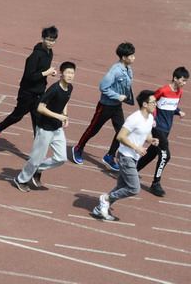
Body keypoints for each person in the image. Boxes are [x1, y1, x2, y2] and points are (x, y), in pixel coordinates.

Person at [92, 90, 159, 221]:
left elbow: (147, 134)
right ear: (144, 104)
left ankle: (100, 208)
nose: (155, 104)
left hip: (134, 157)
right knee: (134, 188)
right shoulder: (134, 118)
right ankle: (106, 198)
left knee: (122, 186)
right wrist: (136, 148)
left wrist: (152, 140)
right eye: (153, 102)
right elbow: (120, 136)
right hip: (125, 156)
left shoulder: (150, 117)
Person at [72, 42, 136, 171]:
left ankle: (110, 155)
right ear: (124, 57)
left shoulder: (128, 69)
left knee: (122, 132)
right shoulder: (115, 70)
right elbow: (103, 87)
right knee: (93, 129)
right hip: (106, 106)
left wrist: (127, 98)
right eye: (131, 56)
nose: (134, 58)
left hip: (117, 107)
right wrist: (117, 96)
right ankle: (78, 148)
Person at [13, 62, 76, 192]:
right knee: (36, 159)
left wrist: (65, 115)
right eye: (68, 73)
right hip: (45, 129)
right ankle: (21, 179)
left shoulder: (69, 88)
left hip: (57, 128)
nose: (70, 75)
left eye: (72, 73)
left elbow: (65, 101)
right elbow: (40, 108)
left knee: (61, 158)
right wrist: (58, 116)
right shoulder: (54, 89)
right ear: (61, 74)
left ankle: (38, 169)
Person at [0, 26, 58, 144]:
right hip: (27, 92)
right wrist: (46, 73)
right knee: (17, 116)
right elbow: (29, 76)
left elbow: (42, 70)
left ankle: (38, 147)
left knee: (38, 120)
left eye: (53, 40)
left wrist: (50, 72)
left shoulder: (49, 52)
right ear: (42, 38)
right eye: (48, 39)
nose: (50, 42)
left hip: (39, 92)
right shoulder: (35, 55)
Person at [136, 67, 188, 197]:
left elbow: (172, 106)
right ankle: (156, 183)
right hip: (157, 127)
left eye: (186, 81)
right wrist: (152, 119)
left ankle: (132, 170)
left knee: (152, 152)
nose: (184, 83)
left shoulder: (179, 92)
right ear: (175, 78)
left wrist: (179, 111)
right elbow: (152, 103)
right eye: (183, 80)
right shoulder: (163, 91)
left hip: (166, 129)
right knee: (165, 156)